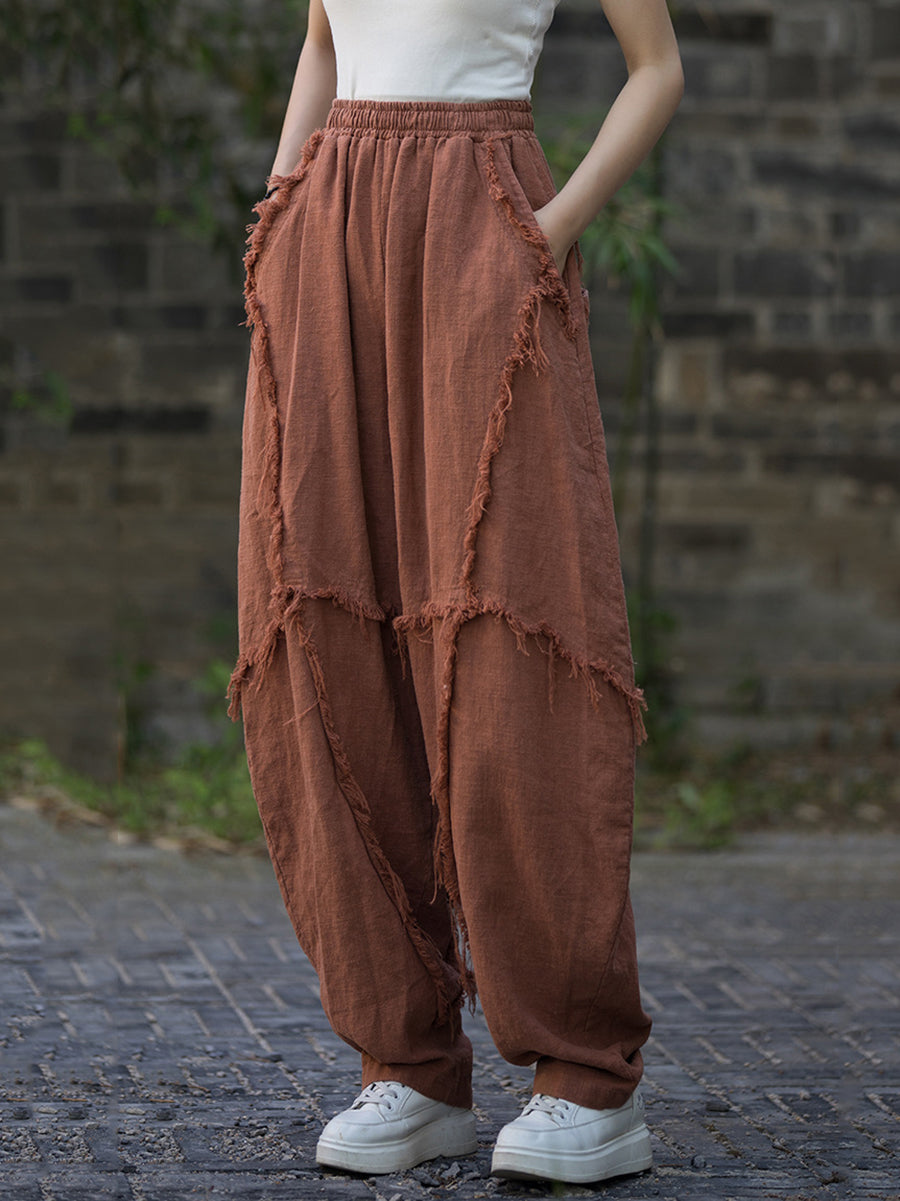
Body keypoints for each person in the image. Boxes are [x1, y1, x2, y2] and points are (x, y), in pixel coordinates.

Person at [228, 0, 683, 1185]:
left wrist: (549, 229)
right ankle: (409, 1061)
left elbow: (657, 70)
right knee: (334, 615)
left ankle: (584, 1075)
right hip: (332, 229)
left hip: (483, 221)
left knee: (510, 630)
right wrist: (280, 211)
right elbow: (325, 43)